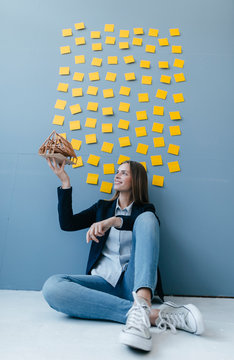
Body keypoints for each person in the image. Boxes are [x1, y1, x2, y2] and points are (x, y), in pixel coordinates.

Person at [42, 159, 204, 352]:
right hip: (103, 285)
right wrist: (65, 182)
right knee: (52, 287)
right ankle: (153, 315)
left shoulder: (145, 211)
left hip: (133, 283)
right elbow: (68, 224)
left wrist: (113, 221)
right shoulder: (102, 207)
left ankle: (142, 304)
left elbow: (142, 222)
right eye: (117, 172)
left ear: (136, 180)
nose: (117, 175)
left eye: (124, 173)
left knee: (147, 219)